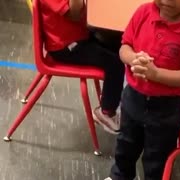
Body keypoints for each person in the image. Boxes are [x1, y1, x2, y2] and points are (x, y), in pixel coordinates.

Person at [106, 0, 180, 180]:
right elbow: (125, 46)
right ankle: (119, 176)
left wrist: (156, 74)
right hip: (133, 98)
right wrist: (133, 59)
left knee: (158, 158)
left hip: (168, 109)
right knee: (125, 146)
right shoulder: (144, 12)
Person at [39, 0, 125, 134]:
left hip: (78, 34)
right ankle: (107, 112)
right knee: (115, 63)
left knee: (118, 43)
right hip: (65, 46)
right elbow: (74, 15)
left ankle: (112, 95)